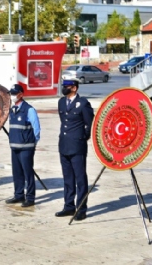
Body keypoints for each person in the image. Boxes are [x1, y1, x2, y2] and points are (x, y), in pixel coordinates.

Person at [56, 78, 94, 221]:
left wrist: (82, 137)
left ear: (75, 88)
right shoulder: (61, 102)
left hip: (77, 145)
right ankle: (69, 206)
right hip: (64, 145)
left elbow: (89, 123)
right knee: (67, 178)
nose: (64, 88)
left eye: (68, 87)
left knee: (80, 179)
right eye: (64, 86)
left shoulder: (83, 103)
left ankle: (82, 209)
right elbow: (64, 121)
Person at [5, 84, 41, 208]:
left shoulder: (29, 109)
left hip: (26, 147)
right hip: (14, 146)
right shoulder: (12, 110)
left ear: (21, 94)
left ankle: (30, 197)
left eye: (15, 93)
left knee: (28, 173)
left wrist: (32, 143)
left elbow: (36, 129)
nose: (12, 96)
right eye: (11, 93)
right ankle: (18, 194)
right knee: (17, 173)